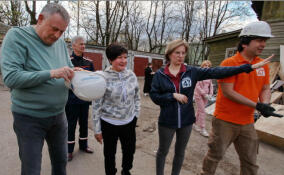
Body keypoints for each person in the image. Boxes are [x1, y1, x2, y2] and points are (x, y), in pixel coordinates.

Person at [149, 39, 273, 175]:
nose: (180, 56)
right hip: (167, 121)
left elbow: (217, 71)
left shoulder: (192, 71)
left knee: (180, 152)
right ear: (169, 54)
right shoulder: (160, 75)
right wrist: (172, 95)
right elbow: (155, 97)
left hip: (186, 121)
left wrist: (247, 67)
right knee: (163, 151)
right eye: (177, 52)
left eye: (183, 53)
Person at [0, 3, 74, 175]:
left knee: (61, 162)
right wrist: (51, 73)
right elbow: (11, 78)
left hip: (58, 116)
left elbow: (68, 68)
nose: (57, 35)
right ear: (40, 19)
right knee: (31, 169)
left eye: (62, 31)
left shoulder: (61, 43)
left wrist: (77, 74)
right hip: (29, 118)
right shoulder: (17, 36)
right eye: (54, 29)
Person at [200, 21, 282, 175]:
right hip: (225, 121)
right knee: (214, 156)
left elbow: (265, 88)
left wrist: (264, 104)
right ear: (245, 43)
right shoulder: (229, 64)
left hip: (247, 122)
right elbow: (229, 92)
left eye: (265, 41)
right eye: (259, 40)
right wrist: (257, 105)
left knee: (250, 162)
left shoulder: (263, 65)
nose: (263, 44)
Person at [92, 43, 140, 175]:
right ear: (110, 59)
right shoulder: (102, 77)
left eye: (125, 57)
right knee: (109, 154)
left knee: (129, 151)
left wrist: (136, 114)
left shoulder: (131, 75)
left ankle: (126, 170)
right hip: (109, 123)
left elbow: (137, 96)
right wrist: (97, 129)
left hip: (129, 121)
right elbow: (96, 105)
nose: (124, 61)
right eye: (120, 57)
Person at [65, 36, 95, 161]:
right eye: (81, 44)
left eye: (84, 44)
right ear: (73, 46)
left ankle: (84, 146)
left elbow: (94, 80)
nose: (83, 46)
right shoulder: (67, 61)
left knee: (84, 124)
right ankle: (69, 150)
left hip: (84, 101)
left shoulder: (89, 62)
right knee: (71, 126)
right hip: (71, 101)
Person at [193, 60, 214, 137]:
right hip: (198, 95)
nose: (207, 67)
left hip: (206, 96)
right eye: (205, 65)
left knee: (199, 110)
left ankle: (194, 123)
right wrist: (204, 94)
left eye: (208, 66)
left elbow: (211, 85)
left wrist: (211, 94)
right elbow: (197, 86)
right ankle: (202, 128)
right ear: (202, 66)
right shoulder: (199, 74)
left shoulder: (209, 75)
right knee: (202, 111)